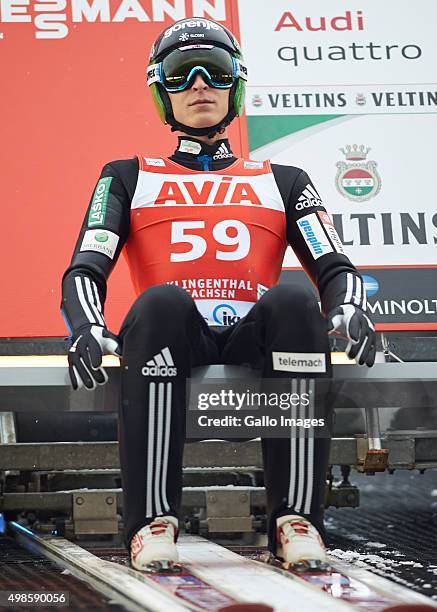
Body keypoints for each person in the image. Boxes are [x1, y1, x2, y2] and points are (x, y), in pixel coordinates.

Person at [61, 17, 375, 571]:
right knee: (160, 302)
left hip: (257, 335)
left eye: (216, 71)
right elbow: (87, 264)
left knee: (295, 302)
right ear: (162, 92)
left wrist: (349, 309)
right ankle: (153, 523)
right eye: (182, 74)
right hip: (175, 336)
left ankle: (295, 519)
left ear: (237, 85)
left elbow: (334, 267)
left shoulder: (284, 179)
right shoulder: (127, 175)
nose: (201, 84)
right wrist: (86, 326)